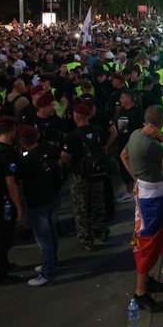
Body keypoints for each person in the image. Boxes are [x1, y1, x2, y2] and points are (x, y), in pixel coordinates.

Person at [120, 105, 163, 313]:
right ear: (161, 122)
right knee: (149, 240)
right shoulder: (151, 143)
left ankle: (146, 280)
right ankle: (140, 293)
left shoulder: (135, 135)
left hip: (144, 190)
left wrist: (136, 178)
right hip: (153, 198)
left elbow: (123, 156)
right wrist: (161, 136)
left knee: (150, 235)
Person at [18, 123, 63, 287]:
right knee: (51, 233)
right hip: (52, 196)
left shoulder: (25, 158)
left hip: (37, 202)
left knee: (44, 239)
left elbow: (19, 179)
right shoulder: (48, 149)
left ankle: (47, 273)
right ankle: (51, 263)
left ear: (22, 142)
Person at [63, 103, 110, 251]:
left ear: (76, 117)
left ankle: (86, 239)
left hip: (80, 176)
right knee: (98, 204)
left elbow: (66, 157)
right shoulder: (98, 130)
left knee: (81, 208)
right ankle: (100, 232)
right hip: (97, 174)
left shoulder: (72, 136)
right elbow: (104, 149)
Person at [0, 115, 24, 286]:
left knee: (2, 234)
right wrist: (19, 207)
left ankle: (3, 264)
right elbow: (11, 185)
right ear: (13, 131)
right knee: (3, 237)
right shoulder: (6, 154)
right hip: (4, 201)